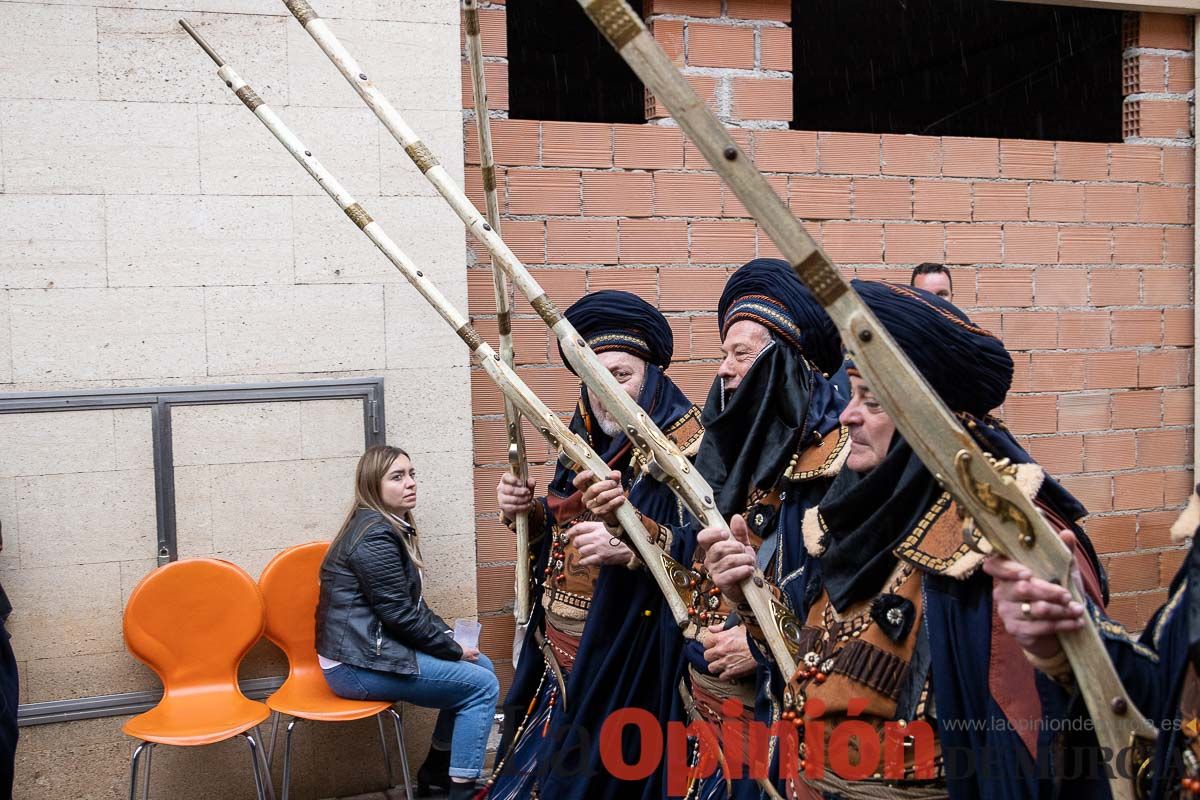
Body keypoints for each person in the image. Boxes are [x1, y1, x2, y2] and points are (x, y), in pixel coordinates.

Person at [701, 281, 1110, 799]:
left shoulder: (1000, 542)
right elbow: (809, 670)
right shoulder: (853, 523)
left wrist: (1056, 655)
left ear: (929, 415)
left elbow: (1047, 744)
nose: (847, 415)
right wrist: (750, 596)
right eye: (851, 394)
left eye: (870, 400)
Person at [582, 258, 848, 799]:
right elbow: (695, 565)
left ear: (788, 364)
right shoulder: (737, 462)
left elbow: (854, 606)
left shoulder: (840, 468)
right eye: (724, 353)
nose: (723, 369)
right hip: (701, 706)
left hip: (780, 723)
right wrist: (633, 532)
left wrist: (770, 645)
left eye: (741, 354)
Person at [488, 290, 704, 799]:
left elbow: (709, 554)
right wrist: (525, 515)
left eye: (621, 376)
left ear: (650, 378)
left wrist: (632, 551)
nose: (605, 392)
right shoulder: (580, 439)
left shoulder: (689, 446)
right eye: (593, 377)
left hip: (631, 656)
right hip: (557, 654)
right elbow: (562, 526)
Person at [316, 445, 498, 800]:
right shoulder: (375, 535)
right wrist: (450, 648)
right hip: (354, 665)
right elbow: (399, 615)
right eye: (397, 477)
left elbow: (409, 607)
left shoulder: (389, 526)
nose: (410, 483)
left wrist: (450, 640)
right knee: (482, 686)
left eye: (412, 474)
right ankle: (460, 792)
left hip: (371, 650)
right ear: (373, 485)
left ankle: (435, 773)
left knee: (484, 665)